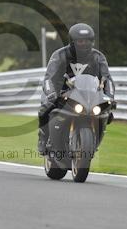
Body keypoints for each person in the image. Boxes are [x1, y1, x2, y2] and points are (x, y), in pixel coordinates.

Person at [37, 23, 115, 155]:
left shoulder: (98, 57)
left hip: (88, 95)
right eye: (80, 41)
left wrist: (110, 97)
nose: (83, 44)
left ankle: (93, 141)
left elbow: (107, 79)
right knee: (45, 109)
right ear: (72, 41)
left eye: (87, 41)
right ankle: (43, 138)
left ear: (92, 41)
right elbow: (48, 77)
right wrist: (51, 94)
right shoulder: (60, 55)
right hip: (61, 93)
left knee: (108, 114)